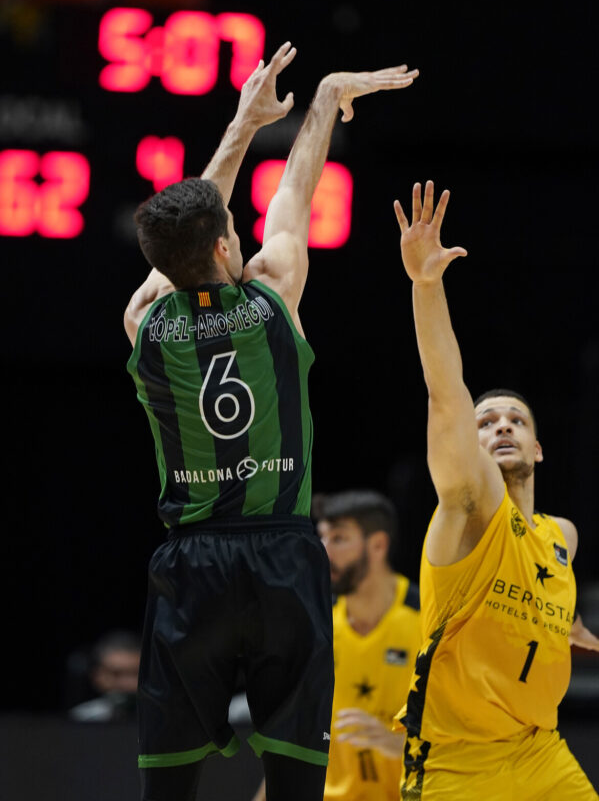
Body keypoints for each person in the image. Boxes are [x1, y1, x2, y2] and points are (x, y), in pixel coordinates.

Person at [124, 42, 419, 801]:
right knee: (294, 779)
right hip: (282, 556)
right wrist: (323, 101)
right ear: (226, 244)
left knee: (168, 784)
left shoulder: (145, 320)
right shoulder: (272, 296)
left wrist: (238, 128)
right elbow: (294, 194)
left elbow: (188, 233)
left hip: (191, 564)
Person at [392, 180, 599, 800]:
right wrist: (426, 287)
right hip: (458, 764)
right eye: (487, 423)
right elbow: (446, 394)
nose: (501, 426)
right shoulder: (468, 504)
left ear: (538, 448)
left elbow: (546, 589)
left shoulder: (561, 536)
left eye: (516, 421)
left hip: (541, 752)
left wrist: (571, 625)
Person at [251, 490, 421, 801]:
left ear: (378, 545)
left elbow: (465, 739)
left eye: (339, 539)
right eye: (322, 537)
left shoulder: (428, 619)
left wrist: (400, 744)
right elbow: (293, 741)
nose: (323, 550)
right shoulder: (315, 624)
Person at [68, 630, 141, 723]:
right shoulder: (80, 719)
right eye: (116, 674)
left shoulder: (157, 718)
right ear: (97, 675)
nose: (127, 683)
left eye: (135, 673)